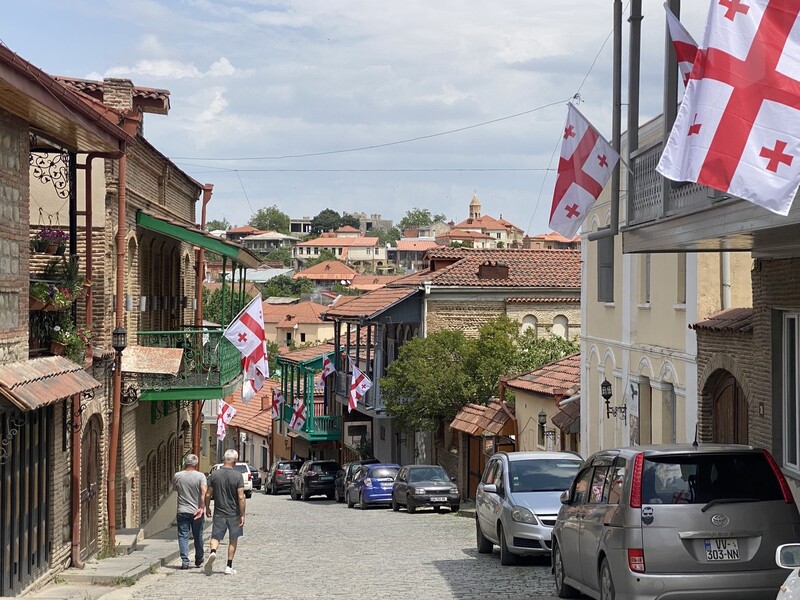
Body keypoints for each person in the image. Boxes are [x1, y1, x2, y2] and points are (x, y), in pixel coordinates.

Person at [204, 449, 246, 575]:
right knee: (233, 539)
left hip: (219, 511)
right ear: (235, 461)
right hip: (234, 513)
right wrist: (242, 514)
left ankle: (213, 552)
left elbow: (208, 494)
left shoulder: (214, 475)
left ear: (224, 459)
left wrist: (207, 507)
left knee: (216, 536)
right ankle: (228, 566)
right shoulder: (238, 476)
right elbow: (241, 496)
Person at [172, 453, 207, 570]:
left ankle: (185, 561)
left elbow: (175, 489)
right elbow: (203, 492)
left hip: (182, 510)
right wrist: (202, 507)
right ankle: (199, 558)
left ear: (185, 463)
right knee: (198, 535)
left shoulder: (177, 475)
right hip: (196, 510)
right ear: (196, 464)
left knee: (183, 536)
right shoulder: (200, 476)